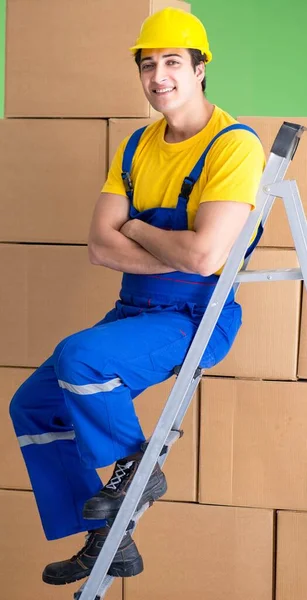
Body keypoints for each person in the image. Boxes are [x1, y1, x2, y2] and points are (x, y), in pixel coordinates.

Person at [9, 6, 265, 587]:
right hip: (134, 310)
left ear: (201, 68)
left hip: (194, 314)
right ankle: (107, 540)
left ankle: (135, 466)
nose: (158, 77)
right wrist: (165, 242)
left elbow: (205, 260)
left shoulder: (232, 147)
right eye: (148, 65)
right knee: (33, 404)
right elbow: (99, 246)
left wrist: (138, 227)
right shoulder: (137, 146)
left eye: (173, 61)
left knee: (81, 356)